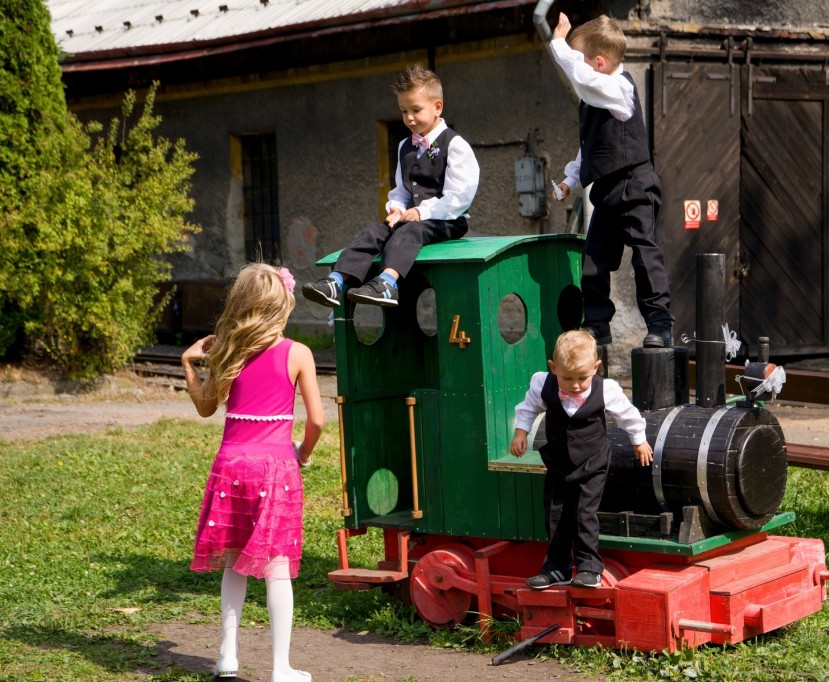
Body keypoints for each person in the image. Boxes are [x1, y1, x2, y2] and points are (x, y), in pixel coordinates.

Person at [181, 263, 324, 682]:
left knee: (233, 561)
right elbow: (316, 420)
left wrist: (190, 364)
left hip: (231, 466)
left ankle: (227, 656)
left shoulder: (226, 350)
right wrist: (304, 453)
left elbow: (206, 406)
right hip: (276, 467)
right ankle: (281, 668)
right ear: (283, 303)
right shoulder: (298, 353)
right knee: (276, 567)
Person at [302, 64, 479, 309]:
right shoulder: (405, 146)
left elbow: (460, 196)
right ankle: (336, 281)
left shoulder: (455, 144)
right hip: (411, 219)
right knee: (374, 232)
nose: (409, 118)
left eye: (416, 110)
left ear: (437, 107)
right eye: (404, 111)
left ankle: (387, 283)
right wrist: (396, 208)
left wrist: (421, 212)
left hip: (447, 220)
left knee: (408, 232)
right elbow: (401, 190)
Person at [550, 12, 674, 349]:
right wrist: (569, 181)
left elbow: (586, 80)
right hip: (606, 189)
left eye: (582, 59)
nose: (577, 66)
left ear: (600, 63)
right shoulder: (595, 97)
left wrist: (559, 46)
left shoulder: (617, 88)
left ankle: (660, 324)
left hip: (634, 184)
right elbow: (589, 147)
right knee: (594, 259)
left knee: (644, 254)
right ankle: (597, 324)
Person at [509, 330, 652, 589]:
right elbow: (528, 407)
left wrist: (639, 440)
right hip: (558, 463)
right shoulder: (542, 383)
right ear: (553, 368)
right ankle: (556, 568)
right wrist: (521, 433)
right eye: (567, 378)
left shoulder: (606, 389)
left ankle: (589, 568)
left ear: (597, 368)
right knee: (554, 513)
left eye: (582, 378)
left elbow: (628, 415)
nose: (574, 385)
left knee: (583, 514)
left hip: (592, 463)